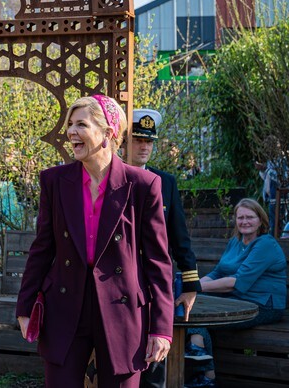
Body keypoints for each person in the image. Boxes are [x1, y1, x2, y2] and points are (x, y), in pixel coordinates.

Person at [16, 95, 174, 387]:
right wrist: (25, 305)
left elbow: (158, 261)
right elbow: (42, 248)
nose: (71, 132)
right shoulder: (54, 181)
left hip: (123, 309)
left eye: (81, 125)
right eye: (70, 125)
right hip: (64, 304)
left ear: (108, 133)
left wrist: (162, 328)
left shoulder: (143, 185)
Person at [126, 109, 202, 388]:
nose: (144, 146)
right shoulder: (110, 177)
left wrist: (191, 284)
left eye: (149, 141)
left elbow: (179, 236)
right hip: (118, 280)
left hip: (155, 282)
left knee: (154, 358)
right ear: (123, 141)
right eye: (137, 140)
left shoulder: (165, 182)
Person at [184, 199, 287, 387]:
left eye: (250, 217)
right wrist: (191, 285)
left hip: (263, 306)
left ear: (261, 220)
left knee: (197, 310)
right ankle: (205, 372)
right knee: (191, 306)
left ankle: (206, 373)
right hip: (235, 301)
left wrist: (195, 288)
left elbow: (237, 283)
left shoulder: (265, 244)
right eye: (240, 217)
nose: (244, 221)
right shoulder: (235, 242)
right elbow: (218, 273)